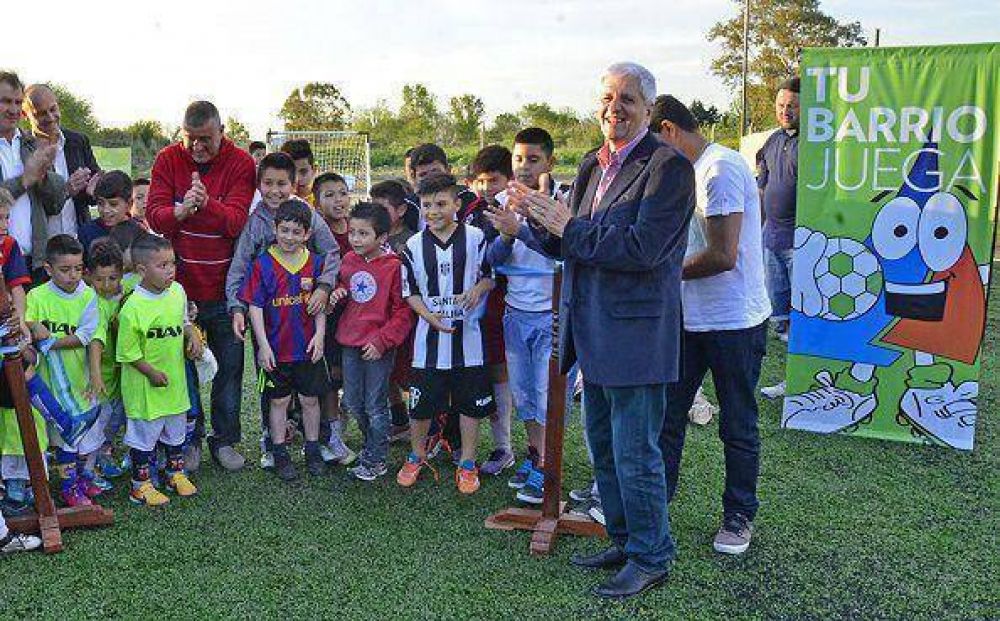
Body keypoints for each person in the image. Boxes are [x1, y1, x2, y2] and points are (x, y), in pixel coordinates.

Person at [506, 62, 694, 599]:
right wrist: (529, 228)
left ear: (649, 109)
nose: (615, 107)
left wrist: (569, 226)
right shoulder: (592, 164)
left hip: (636, 337)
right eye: (608, 97)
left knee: (637, 453)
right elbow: (574, 246)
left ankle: (652, 556)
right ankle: (624, 538)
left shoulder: (668, 169)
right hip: (590, 331)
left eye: (628, 98)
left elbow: (643, 250)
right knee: (604, 449)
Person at [651, 95, 771, 556]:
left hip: (733, 323)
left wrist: (660, 271)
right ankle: (655, 507)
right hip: (688, 320)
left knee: (737, 424)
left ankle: (739, 516)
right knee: (666, 418)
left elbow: (723, 255)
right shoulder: (684, 172)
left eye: (652, 144)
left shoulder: (718, 170)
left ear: (668, 130)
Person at [146, 100, 256, 472]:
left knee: (230, 368)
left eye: (205, 139)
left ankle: (224, 442)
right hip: (179, 292)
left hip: (227, 290)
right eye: (190, 139)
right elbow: (156, 216)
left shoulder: (241, 162)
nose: (197, 147)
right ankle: (189, 440)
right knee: (183, 371)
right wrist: (181, 210)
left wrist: (205, 204)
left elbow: (237, 222)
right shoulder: (166, 159)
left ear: (222, 131)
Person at [224, 153, 342, 466]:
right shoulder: (254, 223)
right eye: (268, 183)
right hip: (268, 320)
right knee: (273, 383)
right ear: (258, 185)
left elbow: (330, 253)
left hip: (304, 317)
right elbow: (239, 267)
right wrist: (237, 307)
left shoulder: (309, 216)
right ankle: (271, 441)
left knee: (309, 386)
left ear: (294, 184)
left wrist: (324, 287)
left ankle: (316, 440)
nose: (275, 190)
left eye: (282, 183)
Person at [396, 173, 495, 494]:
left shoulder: (476, 237)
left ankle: (467, 462)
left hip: (470, 341)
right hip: (429, 341)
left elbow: (489, 276)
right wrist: (429, 316)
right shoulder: (412, 245)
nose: (433, 211)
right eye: (426, 205)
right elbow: (409, 292)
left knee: (469, 404)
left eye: (441, 204)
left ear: (457, 204)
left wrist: (477, 290)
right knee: (421, 405)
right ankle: (416, 454)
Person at [241, 200, 329, 481]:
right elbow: (254, 306)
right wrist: (262, 346)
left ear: (307, 234)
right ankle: (279, 453)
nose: (289, 237)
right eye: (284, 230)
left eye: (296, 232)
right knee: (278, 402)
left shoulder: (315, 263)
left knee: (310, 400)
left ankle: (313, 450)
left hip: (306, 348)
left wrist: (320, 336)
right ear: (275, 229)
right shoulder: (262, 264)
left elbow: (320, 306)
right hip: (276, 350)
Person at [330, 202, 414, 481]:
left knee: (375, 404)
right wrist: (339, 293)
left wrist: (382, 341)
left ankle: (376, 459)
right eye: (352, 232)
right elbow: (346, 285)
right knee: (353, 402)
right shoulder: (349, 260)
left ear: (382, 238)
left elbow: (403, 312)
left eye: (363, 234)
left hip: (378, 347)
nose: (355, 239)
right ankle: (371, 446)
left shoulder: (394, 267)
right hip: (349, 343)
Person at [117, 234, 202, 506]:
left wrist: (193, 334)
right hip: (145, 388)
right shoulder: (133, 307)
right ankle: (139, 485)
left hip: (174, 383)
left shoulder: (177, 291)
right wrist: (151, 373)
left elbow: (183, 321)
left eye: (172, 263)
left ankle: (174, 473)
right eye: (162, 265)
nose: (169, 270)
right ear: (142, 270)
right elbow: (127, 353)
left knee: (176, 431)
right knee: (144, 437)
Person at [25, 235, 105, 507]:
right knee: (55, 437)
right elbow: (26, 324)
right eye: (65, 269)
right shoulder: (36, 295)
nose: (73, 275)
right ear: (48, 269)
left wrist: (49, 343)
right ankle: (62, 487)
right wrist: (34, 327)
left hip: (78, 381)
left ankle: (78, 481)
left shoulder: (88, 295)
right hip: (46, 384)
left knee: (79, 435)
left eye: (78, 268)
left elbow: (85, 336)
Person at [469, 145, 516, 478]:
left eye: (494, 180)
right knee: (473, 373)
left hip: (504, 305)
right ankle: (457, 442)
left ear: (509, 179)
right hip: (470, 309)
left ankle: (507, 447)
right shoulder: (469, 210)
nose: (486, 187)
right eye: (480, 181)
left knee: (503, 375)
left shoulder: (516, 209)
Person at [0, 71, 66, 282]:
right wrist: (25, 179)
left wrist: (45, 176)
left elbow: (55, 205)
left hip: (35, 263)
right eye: (6, 101)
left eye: (18, 102)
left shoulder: (31, 145)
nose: (13, 110)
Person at [369, 179, 416, 441]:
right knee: (386, 373)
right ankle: (399, 419)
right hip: (378, 320)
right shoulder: (370, 238)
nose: (376, 214)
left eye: (383, 208)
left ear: (400, 211)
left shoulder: (412, 240)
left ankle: (431, 426)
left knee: (408, 373)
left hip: (406, 318)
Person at [23, 83, 101, 237]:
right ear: (25, 115)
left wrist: (95, 189)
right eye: (41, 114)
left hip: (79, 241)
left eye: (53, 109)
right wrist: (66, 190)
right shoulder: (22, 149)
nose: (51, 118)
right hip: (41, 247)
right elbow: (27, 205)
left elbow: (94, 192)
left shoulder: (78, 141)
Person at [757, 77, 800, 354]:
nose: (785, 111)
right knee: (781, 319)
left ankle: (796, 383)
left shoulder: (816, 142)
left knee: (803, 316)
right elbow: (761, 190)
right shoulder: (771, 141)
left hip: (800, 242)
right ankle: (789, 382)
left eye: (793, 106)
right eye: (781, 105)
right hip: (771, 239)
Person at [87, 239, 128, 480]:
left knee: (114, 419)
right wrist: (96, 375)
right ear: (89, 276)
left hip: (118, 375)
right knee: (98, 423)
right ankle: (89, 469)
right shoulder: (94, 304)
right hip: (99, 377)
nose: (105, 285)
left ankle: (104, 454)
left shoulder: (125, 296)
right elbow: (95, 342)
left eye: (112, 278)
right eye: (99, 279)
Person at [78, 171, 145, 260]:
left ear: (129, 204)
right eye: (100, 203)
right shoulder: (86, 232)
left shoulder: (139, 231)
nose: (106, 210)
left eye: (113, 204)